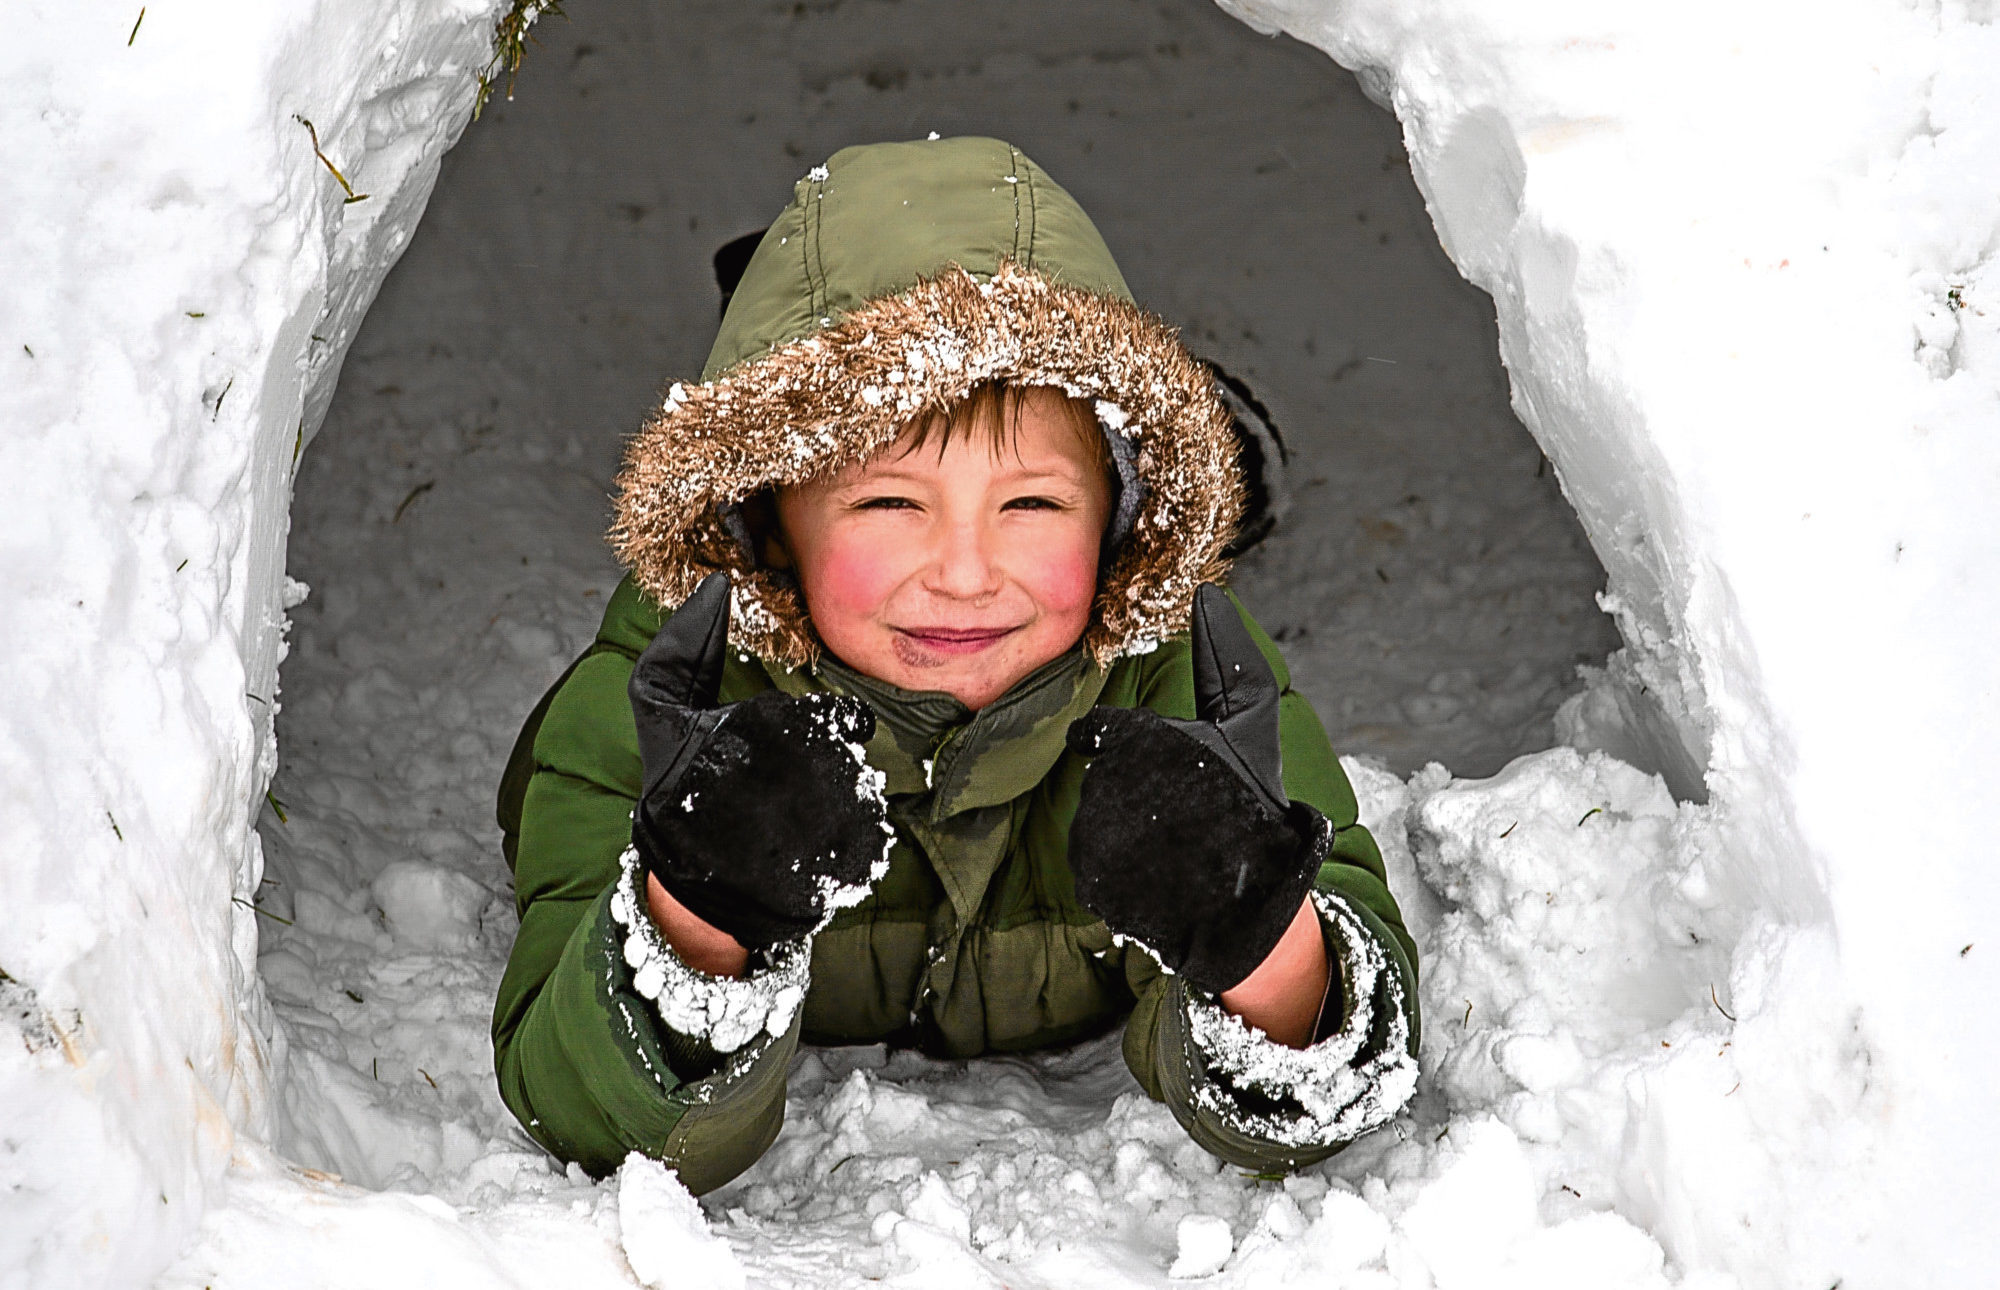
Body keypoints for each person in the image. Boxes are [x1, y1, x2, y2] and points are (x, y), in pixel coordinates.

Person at [490, 137, 1420, 1193]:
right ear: (762, 522)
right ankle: (771, 332)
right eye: (889, 503)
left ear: (1121, 524)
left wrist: (1259, 942)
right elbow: (575, 1101)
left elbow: (1341, 1053)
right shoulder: (670, 699)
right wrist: (695, 917)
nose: (967, 574)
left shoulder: (1191, 680)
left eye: (1033, 504)